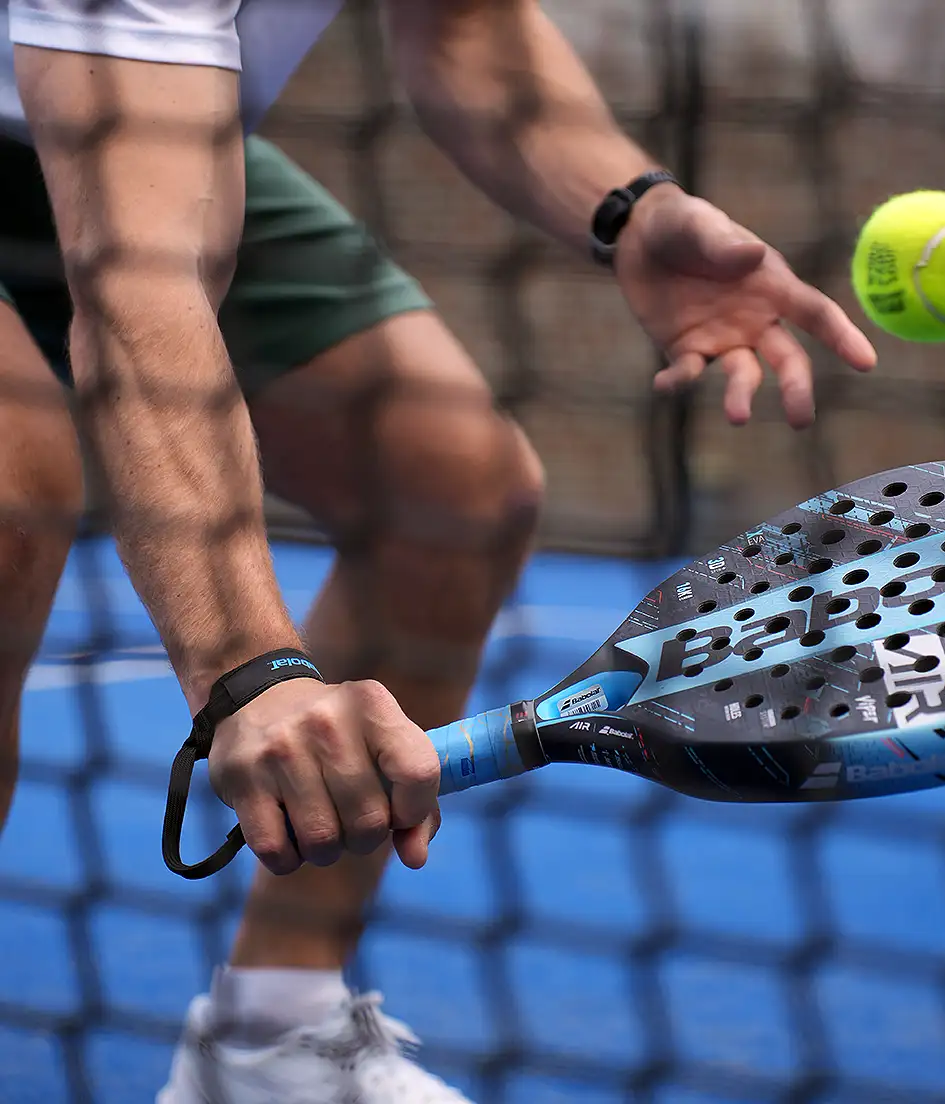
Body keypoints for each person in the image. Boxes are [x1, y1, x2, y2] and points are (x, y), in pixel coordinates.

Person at [0, 0, 878, 1100]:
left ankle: (269, 1044)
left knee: (455, 486)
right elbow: (137, 290)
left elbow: (466, 25)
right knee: (12, 497)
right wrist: (248, 675)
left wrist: (632, 207)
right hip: (111, 136)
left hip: (157, 133)